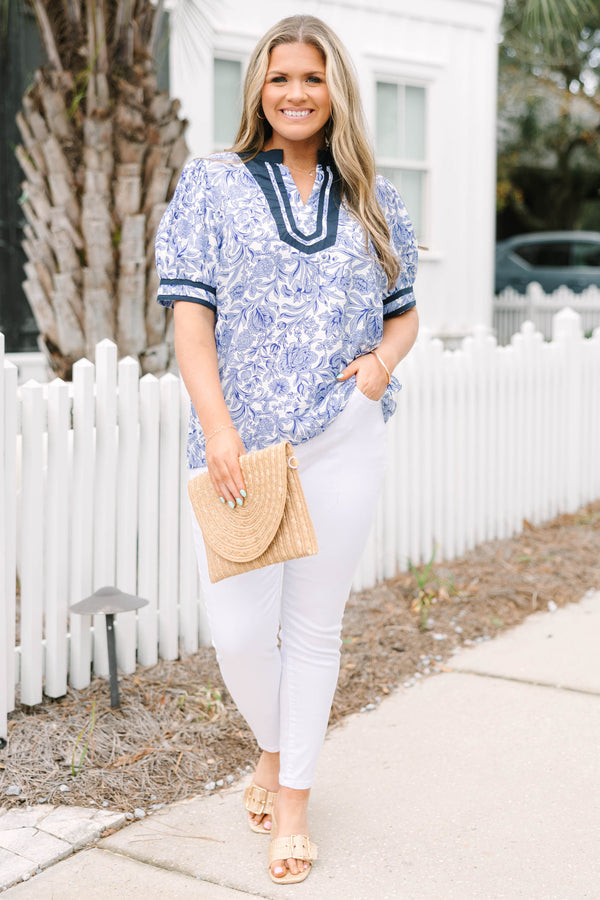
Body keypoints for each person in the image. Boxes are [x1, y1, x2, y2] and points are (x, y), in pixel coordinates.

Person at [155, 13, 419, 886]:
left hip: (344, 435)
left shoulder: (373, 197)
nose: (296, 93)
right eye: (280, 78)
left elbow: (404, 313)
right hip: (239, 447)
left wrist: (380, 367)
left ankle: (294, 802)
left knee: (313, 628)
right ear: (258, 89)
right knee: (237, 632)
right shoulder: (212, 183)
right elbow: (191, 319)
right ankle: (274, 750)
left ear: (334, 89)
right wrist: (219, 428)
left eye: (312, 78)